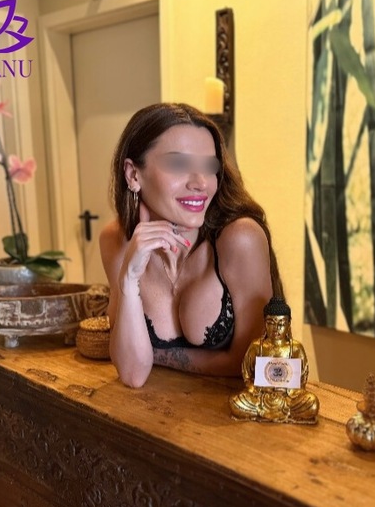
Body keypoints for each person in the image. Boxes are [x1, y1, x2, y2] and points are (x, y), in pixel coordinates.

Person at [100, 102, 283, 387]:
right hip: (152, 408)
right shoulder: (116, 240)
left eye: (209, 167)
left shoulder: (240, 239)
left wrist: (157, 356)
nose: (201, 183)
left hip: (233, 411)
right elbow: (133, 374)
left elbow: (255, 364)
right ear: (133, 175)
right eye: (179, 165)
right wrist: (129, 278)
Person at [229, 296, 319, 424]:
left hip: (288, 397)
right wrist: (253, 388)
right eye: (271, 323)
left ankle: (276, 411)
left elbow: (302, 377)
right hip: (261, 396)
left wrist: (291, 390)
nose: (276, 328)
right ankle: (267, 411)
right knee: (235, 402)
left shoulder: (295, 348)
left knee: (312, 403)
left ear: (288, 324)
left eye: (281, 323)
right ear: (265, 323)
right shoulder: (257, 346)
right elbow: (247, 374)